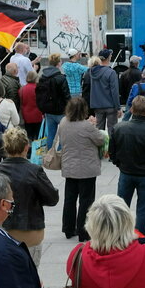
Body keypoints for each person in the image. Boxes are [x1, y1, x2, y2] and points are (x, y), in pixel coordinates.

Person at [0, 127, 58, 266]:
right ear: (26, 147)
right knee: (29, 276)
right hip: (29, 231)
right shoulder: (34, 170)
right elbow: (52, 198)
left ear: (5, 147)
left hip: (1, 230)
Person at [109, 96, 145, 243]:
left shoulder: (119, 128)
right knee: (143, 208)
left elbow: (112, 153)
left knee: (122, 206)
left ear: (132, 110)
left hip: (127, 172)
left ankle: (121, 236)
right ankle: (140, 239)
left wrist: (119, 164)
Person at [58, 97, 105, 241]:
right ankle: (83, 230)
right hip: (87, 168)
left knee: (70, 199)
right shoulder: (87, 126)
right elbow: (101, 140)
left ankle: (68, 228)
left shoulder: (63, 123)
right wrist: (94, 125)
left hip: (69, 167)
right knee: (86, 200)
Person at [37, 52, 71, 148]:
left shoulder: (43, 77)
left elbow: (40, 95)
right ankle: (60, 153)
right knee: (63, 135)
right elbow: (66, 96)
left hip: (48, 110)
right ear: (58, 63)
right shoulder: (61, 78)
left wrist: (43, 110)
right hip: (61, 111)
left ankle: (50, 155)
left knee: (50, 134)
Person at [89, 49, 121, 130]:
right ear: (108, 58)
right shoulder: (111, 72)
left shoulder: (92, 72)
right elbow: (114, 91)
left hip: (97, 105)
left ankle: (100, 143)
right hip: (110, 105)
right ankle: (111, 143)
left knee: (99, 130)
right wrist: (118, 107)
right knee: (112, 130)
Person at [18, 70, 43, 140]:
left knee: (29, 136)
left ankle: (29, 148)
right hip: (38, 115)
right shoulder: (39, 88)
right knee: (38, 136)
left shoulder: (22, 89)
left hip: (26, 116)